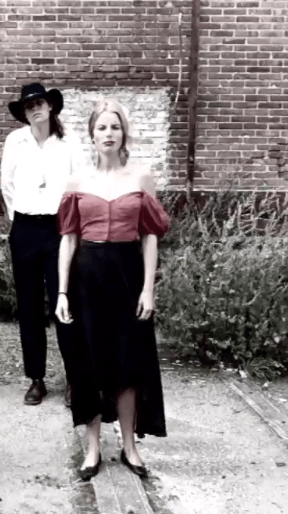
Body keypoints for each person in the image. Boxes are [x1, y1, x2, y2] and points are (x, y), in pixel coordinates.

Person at [55, 98, 169, 481]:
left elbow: (150, 237)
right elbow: (68, 239)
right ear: (91, 135)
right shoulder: (77, 182)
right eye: (101, 127)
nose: (108, 134)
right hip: (86, 279)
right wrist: (62, 292)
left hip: (127, 276)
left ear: (124, 134)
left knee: (128, 361)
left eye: (115, 127)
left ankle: (129, 446)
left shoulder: (141, 178)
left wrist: (148, 289)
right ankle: (92, 449)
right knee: (87, 361)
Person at [1, 83, 84, 406]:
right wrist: (21, 219)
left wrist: (69, 226)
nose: (34, 109)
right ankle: (36, 378)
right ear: (24, 113)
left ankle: (74, 378)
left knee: (66, 301)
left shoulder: (69, 142)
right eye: (28, 106)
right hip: (25, 228)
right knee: (29, 305)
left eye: (39, 103)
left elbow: (79, 185)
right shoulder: (15, 141)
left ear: (50, 106)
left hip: (59, 228)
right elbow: (7, 185)